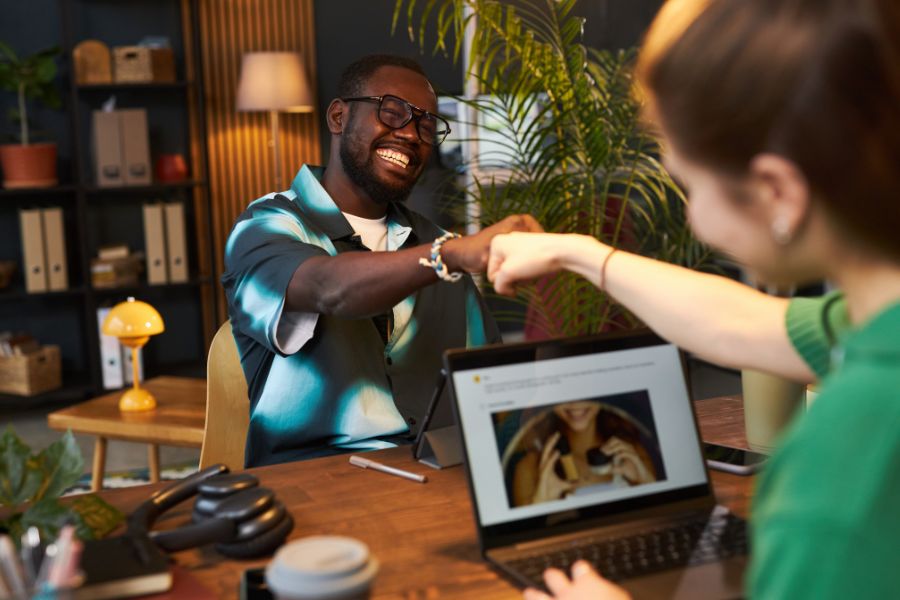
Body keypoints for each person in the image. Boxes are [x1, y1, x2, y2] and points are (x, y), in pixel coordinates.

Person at [487, 0, 900, 598]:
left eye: (690, 184)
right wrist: (578, 253)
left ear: (777, 190)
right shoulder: (872, 325)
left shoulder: (841, 472)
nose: (691, 215)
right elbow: (746, 323)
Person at [222, 54, 541, 467]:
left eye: (426, 126)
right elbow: (328, 288)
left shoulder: (436, 241)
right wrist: (449, 256)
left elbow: (493, 381)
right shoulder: (267, 225)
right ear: (338, 117)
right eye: (392, 113)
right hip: (313, 478)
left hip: (434, 473)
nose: (411, 134)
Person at [510, 400, 659, 507]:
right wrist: (540, 505)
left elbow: (664, 517)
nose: (575, 402)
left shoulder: (631, 455)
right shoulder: (529, 468)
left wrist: (646, 483)